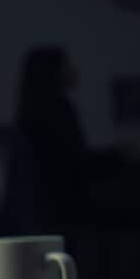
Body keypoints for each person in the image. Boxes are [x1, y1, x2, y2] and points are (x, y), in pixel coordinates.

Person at [14, 45, 86, 229]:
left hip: (44, 201)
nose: (72, 70)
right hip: (61, 200)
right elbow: (75, 159)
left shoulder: (29, 109)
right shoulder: (57, 109)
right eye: (65, 66)